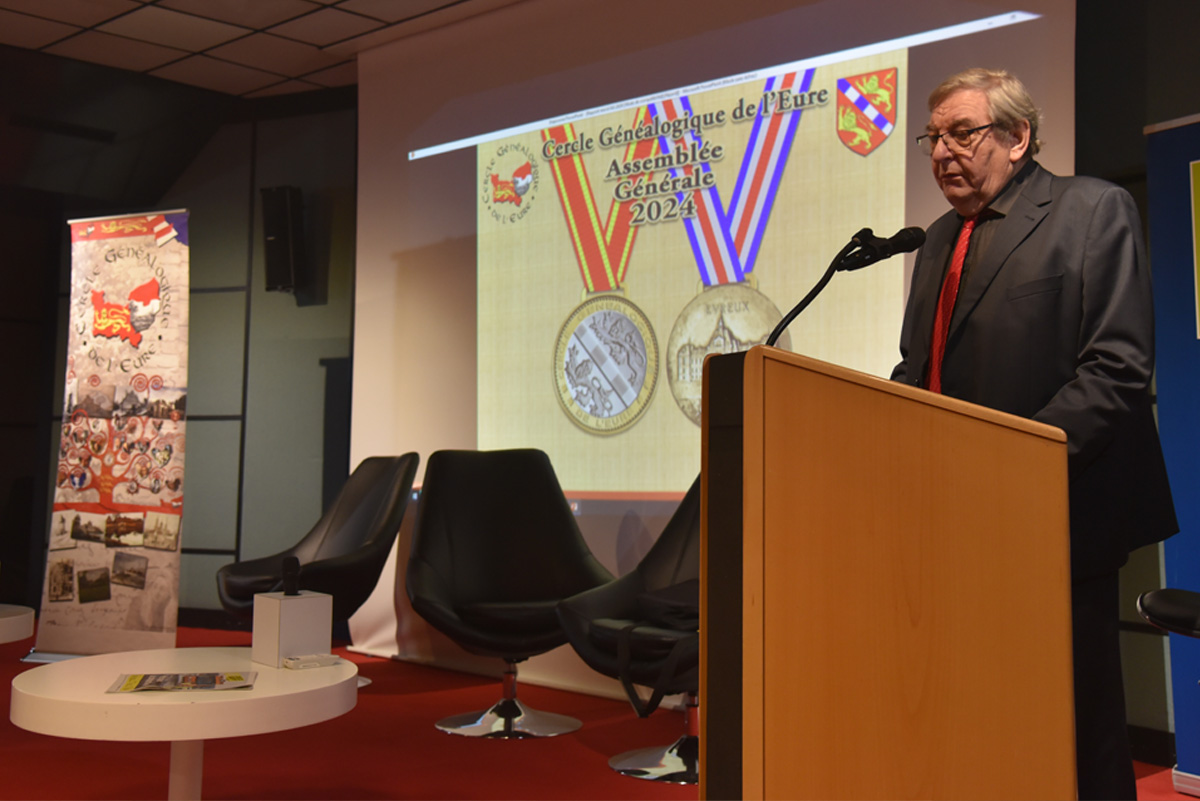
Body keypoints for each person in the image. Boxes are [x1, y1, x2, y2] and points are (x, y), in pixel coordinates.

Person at [893, 68, 1178, 800]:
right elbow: (917, 368)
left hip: (1058, 511)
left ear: (1017, 136)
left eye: (963, 133)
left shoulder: (1091, 210)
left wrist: (1005, 460)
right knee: (982, 715)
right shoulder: (935, 241)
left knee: (1076, 721)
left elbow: (1117, 366)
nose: (942, 152)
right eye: (933, 138)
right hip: (955, 518)